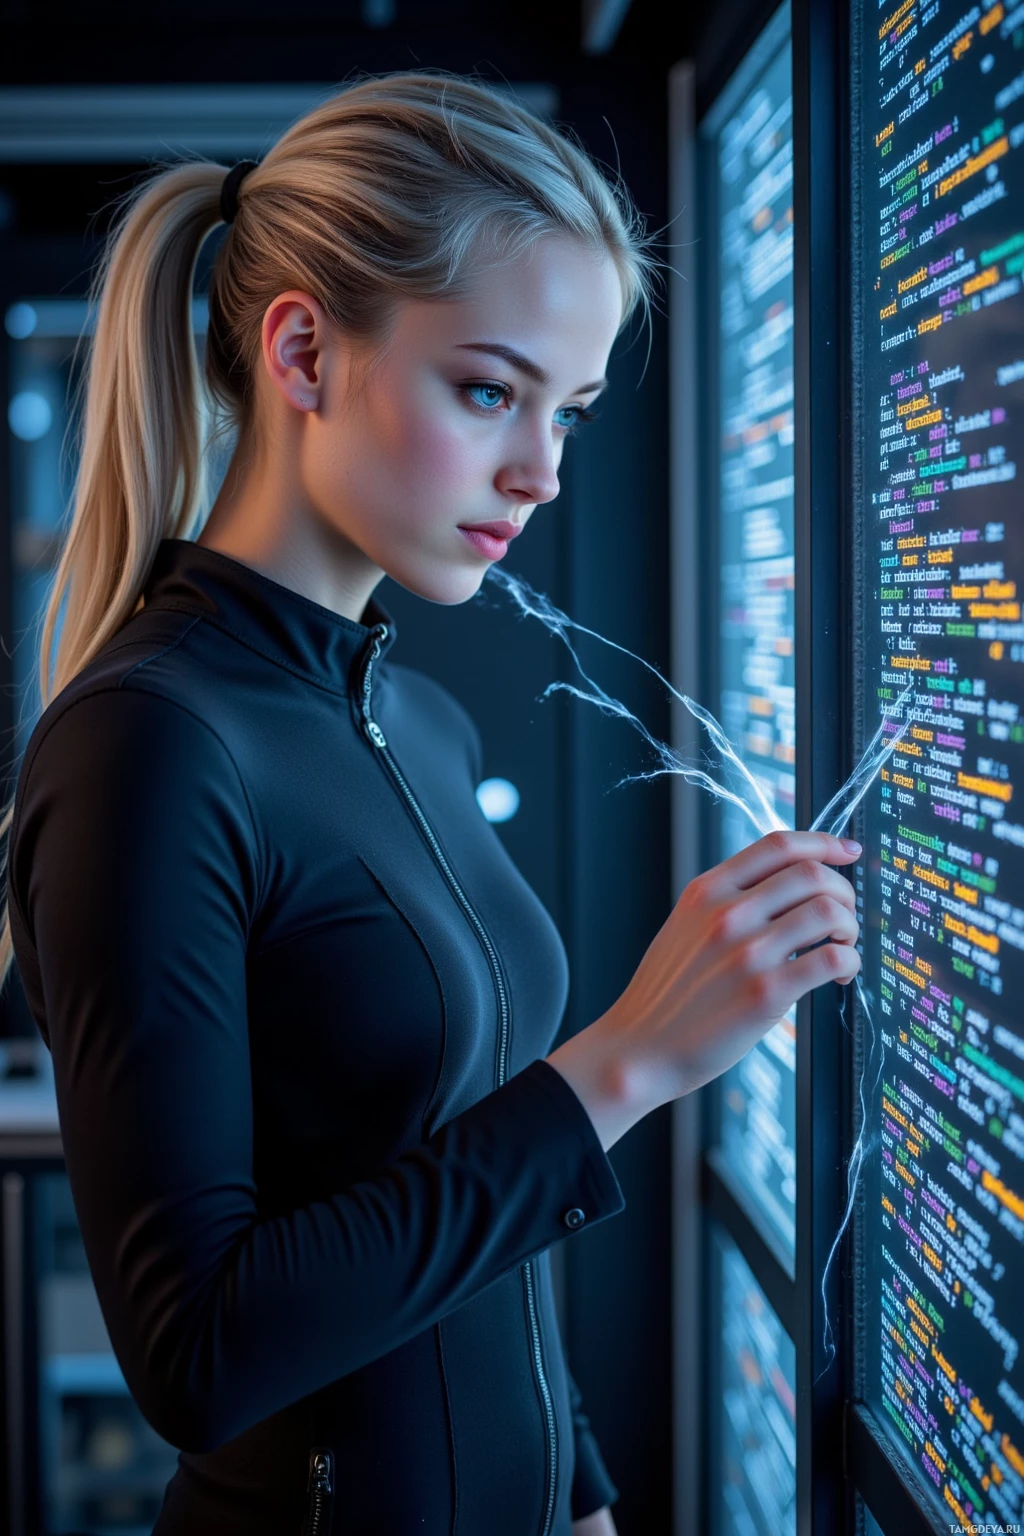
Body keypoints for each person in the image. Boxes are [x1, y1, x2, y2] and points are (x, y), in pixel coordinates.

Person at [0, 71, 861, 1536]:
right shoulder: (147, 746)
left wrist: (580, 1497)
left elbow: (468, 1209)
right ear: (303, 352)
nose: (543, 471)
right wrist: (629, 1063)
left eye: (570, 411)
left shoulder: (422, 722)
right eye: (489, 391)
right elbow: (198, 1354)